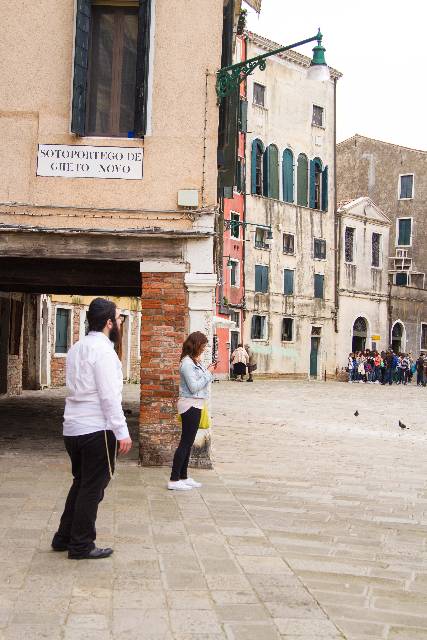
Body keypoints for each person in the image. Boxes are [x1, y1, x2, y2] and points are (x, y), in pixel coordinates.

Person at [51, 298, 132, 560]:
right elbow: (109, 396)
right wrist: (122, 431)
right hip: (96, 428)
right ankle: (81, 544)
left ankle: (64, 537)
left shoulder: (77, 347)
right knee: (92, 488)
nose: (120, 322)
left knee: (81, 483)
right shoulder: (104, 352)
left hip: (73, 428)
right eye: (118, 318)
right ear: (109, 322)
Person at [169, 331, 217, 491]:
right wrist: (209, 373)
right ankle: (174, 479)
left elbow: (200, 380)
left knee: (188, 443)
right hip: (189, 405)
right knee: (185, 443)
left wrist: (207, 369)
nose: (204, 348)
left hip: (195, 404)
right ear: (195, 345)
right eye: (202, 345)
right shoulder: (187, 363)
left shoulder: (194, 361)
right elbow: (194, 386)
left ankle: (183, 477)